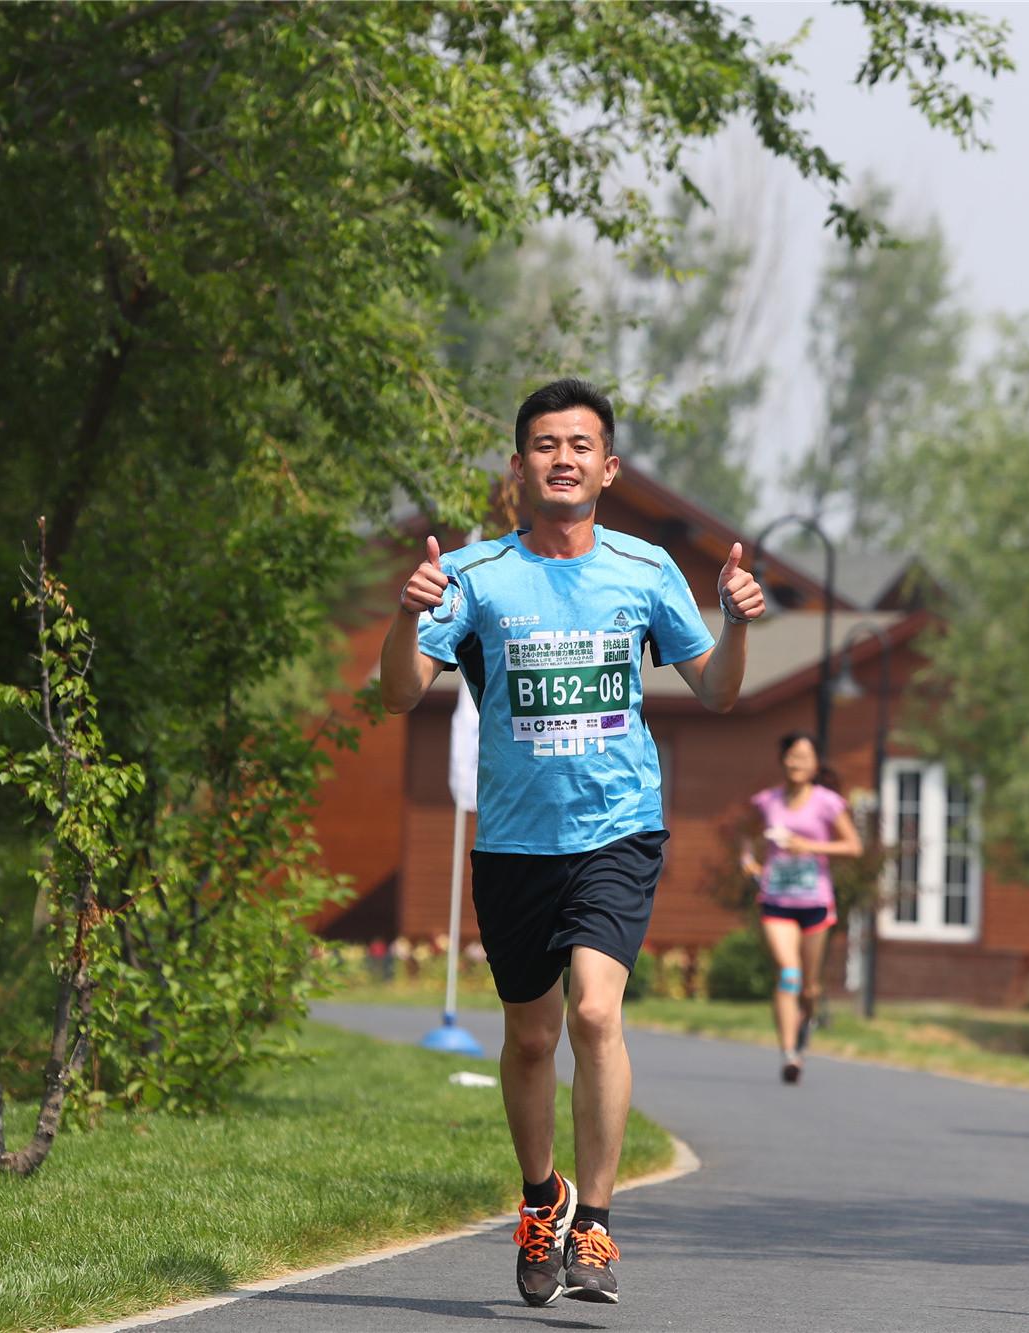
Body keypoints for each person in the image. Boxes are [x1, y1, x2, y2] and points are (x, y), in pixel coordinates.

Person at [379, 378, 764, 1307]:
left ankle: (595, 1221)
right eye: (545, 445)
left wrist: (736, 625)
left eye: (580, 445)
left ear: (609, 467)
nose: (563, 458)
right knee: (528, 1035)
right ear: (520, 468)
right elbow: (397, 695)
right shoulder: (475, 577)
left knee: (594, 1013)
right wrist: (405, 612)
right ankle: (541, 1196)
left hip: (617, 829)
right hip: (514, 842)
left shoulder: (645, 569)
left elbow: (715, 693)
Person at [740, 732, 863, 1083]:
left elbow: (853, 846)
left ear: (815, 765)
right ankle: (789, 1054)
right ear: (782, 760)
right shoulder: (767, 801)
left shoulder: (827, 803)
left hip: (815, 902)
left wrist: (807, 845)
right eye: (792, 757)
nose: (797, 764)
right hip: (776, 899)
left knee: (809, 987)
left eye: (805, 758)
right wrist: (748, 862)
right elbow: (747, 836)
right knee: (788, 972)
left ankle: (805, 1019)